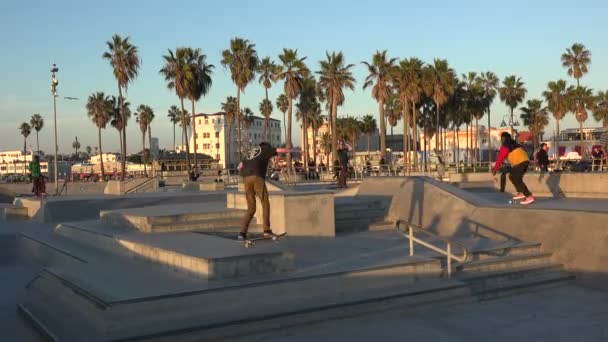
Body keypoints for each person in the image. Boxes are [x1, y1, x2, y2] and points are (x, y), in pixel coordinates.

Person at [239, 142, 278, 240]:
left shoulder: (249, 153)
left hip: (245, 178)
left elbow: (240, 167)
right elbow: (278, 151)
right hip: (257, 176)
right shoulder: (265, 149)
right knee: (265, 202)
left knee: (251, 207)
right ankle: (266, 230)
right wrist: (294, 150)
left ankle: (242, 233)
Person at [492, 132, 535, 205]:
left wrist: (495, 169)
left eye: (502, 139)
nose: (501, 141)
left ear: (505, 139)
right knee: (511, 176)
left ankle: (529, 196)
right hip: (525, 161)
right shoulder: (514, 143)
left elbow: (500, 158)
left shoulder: (505, 145)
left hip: (520, 162)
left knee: (516, 178)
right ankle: (520, 192)